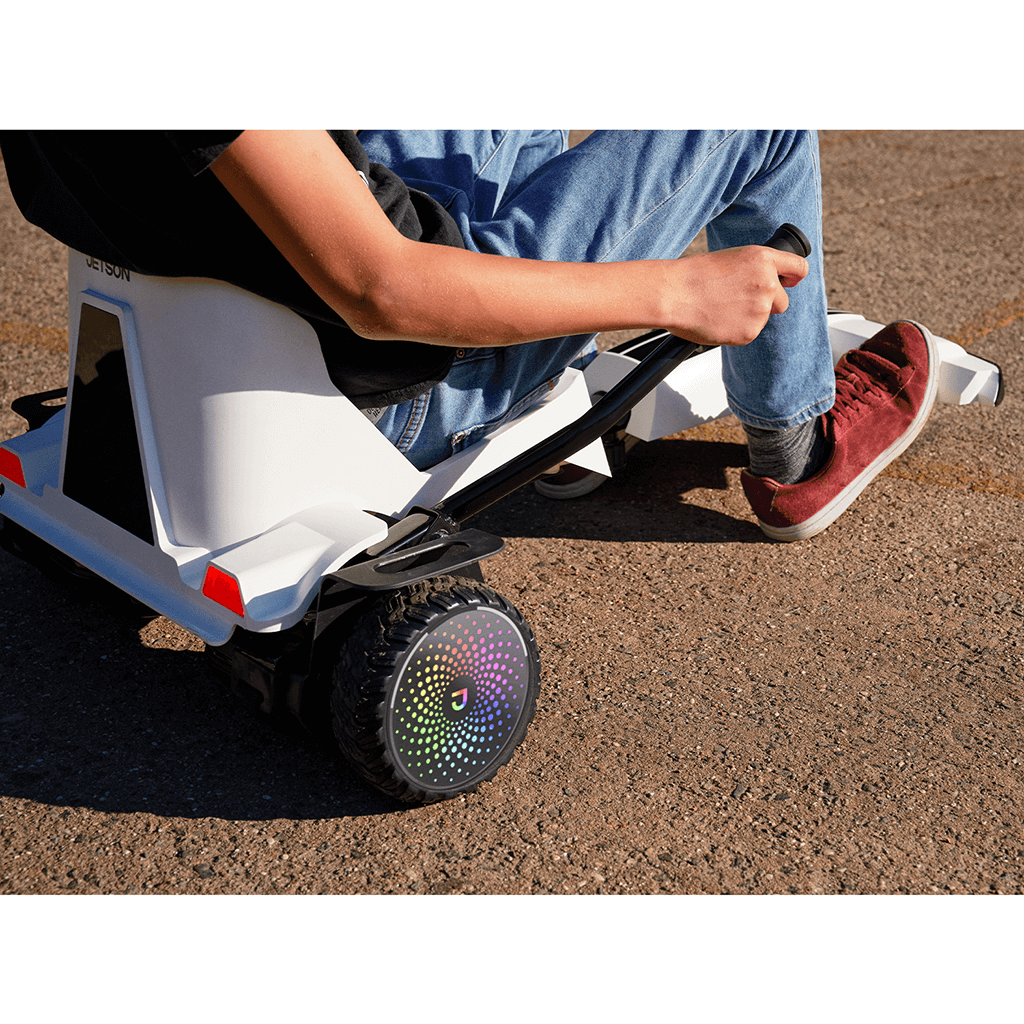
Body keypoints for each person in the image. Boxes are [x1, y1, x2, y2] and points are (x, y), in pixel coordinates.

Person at [0, 130, 937, 541]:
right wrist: (675, 290)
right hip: (405, 385)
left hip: (223, 343)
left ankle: (557, 369)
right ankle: (797, 441)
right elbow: (384, 291)